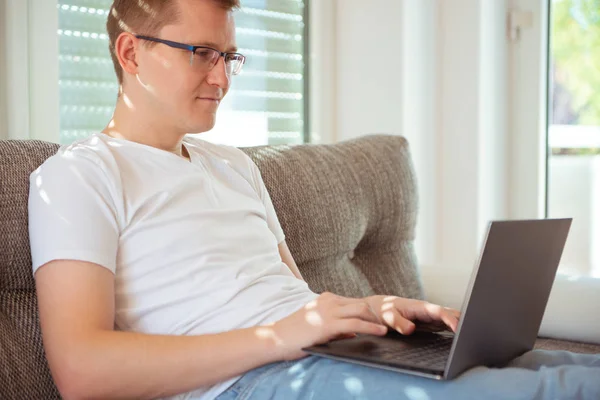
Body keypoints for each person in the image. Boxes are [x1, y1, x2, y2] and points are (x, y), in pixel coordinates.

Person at [28, 1, 600, 399]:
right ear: (131, 53)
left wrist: (373, 307)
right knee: (554, 392)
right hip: (244, 384)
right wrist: (280, 338)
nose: (222, 78)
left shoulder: (232, 165)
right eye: (202, 52)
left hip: (326, 354)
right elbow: (81, 371)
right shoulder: (78, 177)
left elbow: (292, 297)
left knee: (573, 368)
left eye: (229, 57)